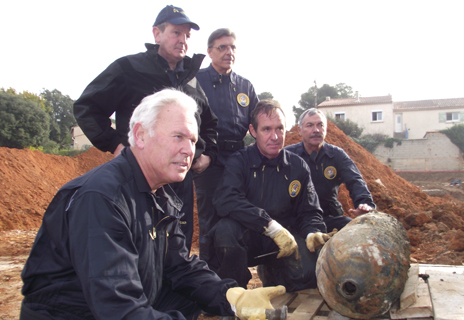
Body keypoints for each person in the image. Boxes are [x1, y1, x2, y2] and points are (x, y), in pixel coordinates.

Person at [21, 89, 285, 320]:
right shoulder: (102, 199)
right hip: (76, 314)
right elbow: (118, 307)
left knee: (194, 295)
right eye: (178, 137)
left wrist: (231, 296)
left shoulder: (161, 194)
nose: (189, 150)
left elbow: (180, 266)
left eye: (193, 141)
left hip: (127, 302)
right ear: (141, 135)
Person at [73, 5, 217, 251]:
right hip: (138, 176)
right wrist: (115, 145)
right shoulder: (129, 69)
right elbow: (87, 107)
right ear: (157, 34)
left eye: (187, 35)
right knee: (140, 242)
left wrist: (207, 154)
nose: (182, 40)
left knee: (177, 246)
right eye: (175, 32)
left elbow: (210, 122)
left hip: (179, 181)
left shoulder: (190, 80)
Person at [207, 100, 332, 292]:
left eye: (280, 128)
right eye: (266, 129)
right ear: (253, 131)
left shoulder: (298, 166)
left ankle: (275, 274)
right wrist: (269, 225)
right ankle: (232, 295)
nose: (275, 136)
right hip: (248, 236)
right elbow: (226, 200)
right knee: (225, 232)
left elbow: (309, 210)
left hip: (285, 239)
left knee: (308, 273)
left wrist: (312, 231)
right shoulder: (239, 161)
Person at [194, 28, 259, 262]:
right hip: (208, 159)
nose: (228, 52)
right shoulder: (195, 80)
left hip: (239, 160)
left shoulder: (245, 86)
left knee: (238, 215)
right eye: (222, 47)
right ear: (209, 51)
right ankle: (208, 279)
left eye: (232, 47)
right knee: (209, 219)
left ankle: (235, 277)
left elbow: (258, 121)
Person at [285, 108, 375, 231]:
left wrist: (365, 204)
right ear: (299, 130)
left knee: (357, 230)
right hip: (296, 220)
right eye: (310, 125)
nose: (316, 130)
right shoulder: (288, 156)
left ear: (326, 129)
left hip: (328, 218)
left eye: (320, 125)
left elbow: (355, 180)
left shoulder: (337, 155)